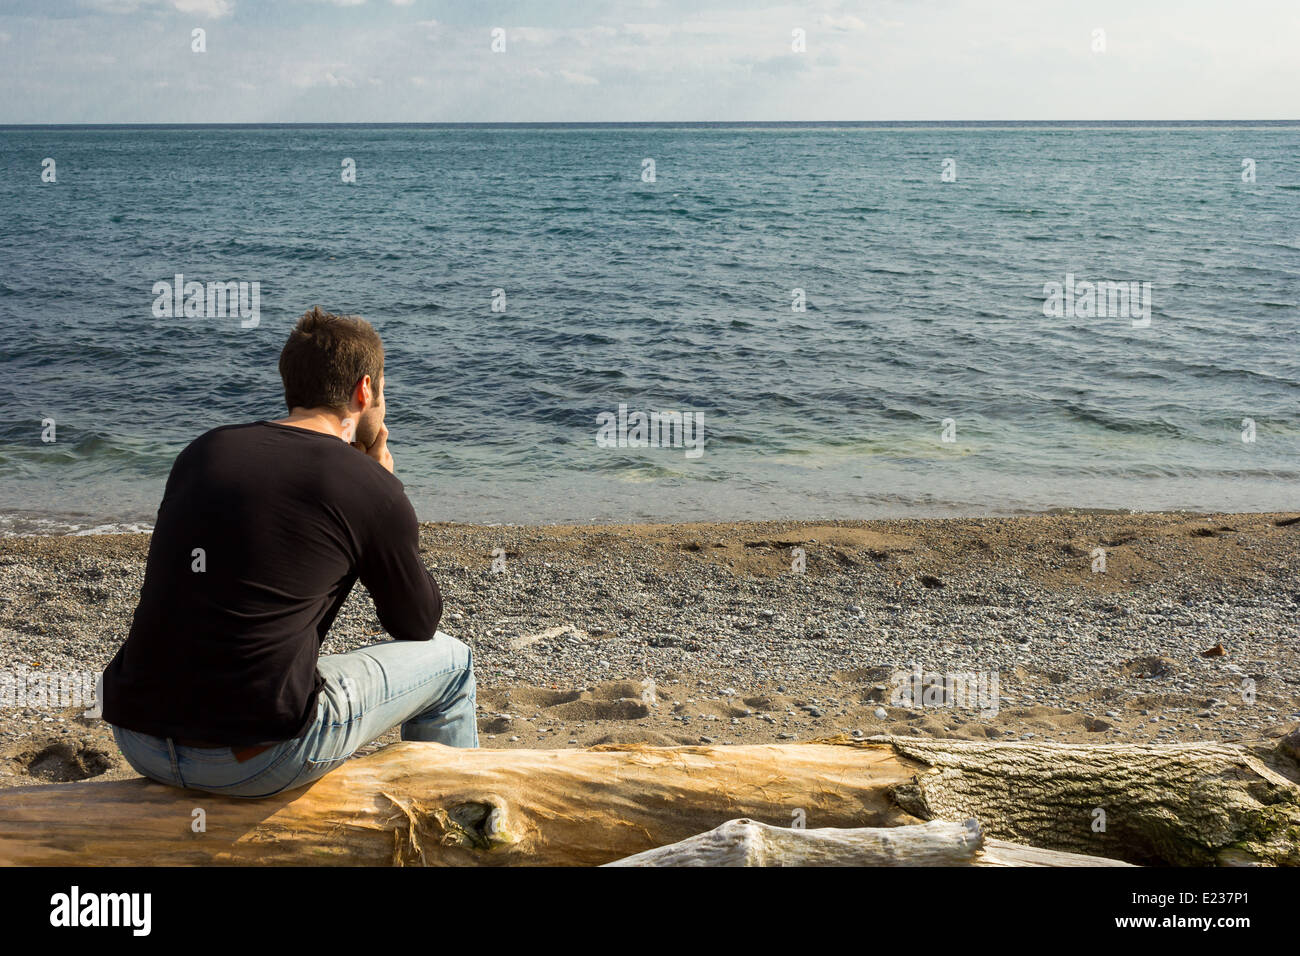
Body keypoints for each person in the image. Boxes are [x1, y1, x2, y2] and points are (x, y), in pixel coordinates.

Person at [101, 306, 477, 798]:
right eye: (383, 391)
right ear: (364, 390)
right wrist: (383, 489)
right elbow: (417, 624)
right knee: (452, 661)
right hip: (255, 758)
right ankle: (457, 817)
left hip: (140, 737)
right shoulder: (369, 486)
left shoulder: (204, 450)